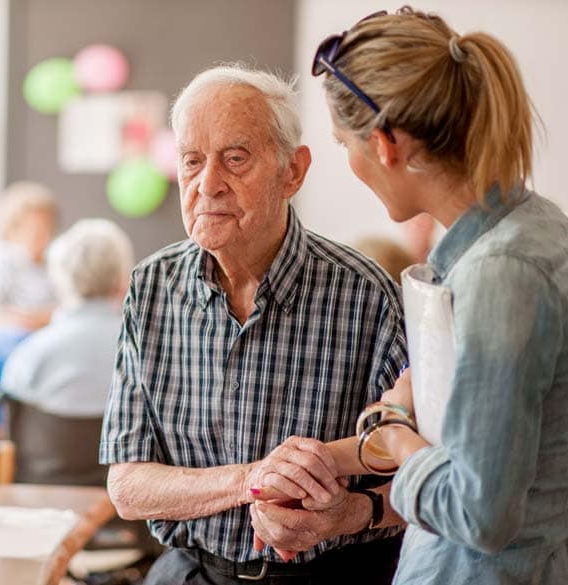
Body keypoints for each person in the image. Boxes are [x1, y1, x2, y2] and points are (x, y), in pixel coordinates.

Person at [252, 8, 568, 584]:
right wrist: (382, 422)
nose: (351, 162)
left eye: (344, 145)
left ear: (386, 143)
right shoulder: (536, 223)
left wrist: (393, 435)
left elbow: (476, 510)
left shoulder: (500, 273)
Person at [100, 65, 408, 585]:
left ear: (293, 171)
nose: (208, 184)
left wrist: (348, 514)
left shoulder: (366, 293)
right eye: (191, 161)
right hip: (192, 571)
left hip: (335, 573)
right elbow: (127, 486)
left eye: (235, 159)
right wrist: (253, 481)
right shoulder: (152, 287)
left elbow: (424, 477)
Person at [0, 218, 133, 417]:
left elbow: (11, 433)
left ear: (60, 277)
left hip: (42, 448)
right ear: (123, 277)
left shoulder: (29, 355)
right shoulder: (145, 350)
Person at [0, 181, 59, 330]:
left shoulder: (56, 260)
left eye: (48, 227)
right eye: (34, 229)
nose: (43, 235)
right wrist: (43, 318)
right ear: (13, 228)